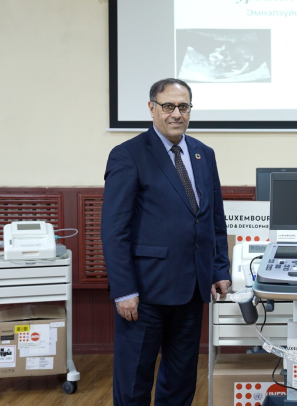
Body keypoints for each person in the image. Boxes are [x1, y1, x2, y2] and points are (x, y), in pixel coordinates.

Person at [101, 78, 231, 406]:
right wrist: (124, 291)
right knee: (134, 380)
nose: (176, 114)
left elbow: (214, 218)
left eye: (183, 107)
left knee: (181, 378)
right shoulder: (128, 155)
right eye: (168, 106)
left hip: (192, 288)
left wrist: (219, 269)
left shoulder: (203, 154)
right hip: (145, 292)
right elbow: (114, 230)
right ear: (152, 108)